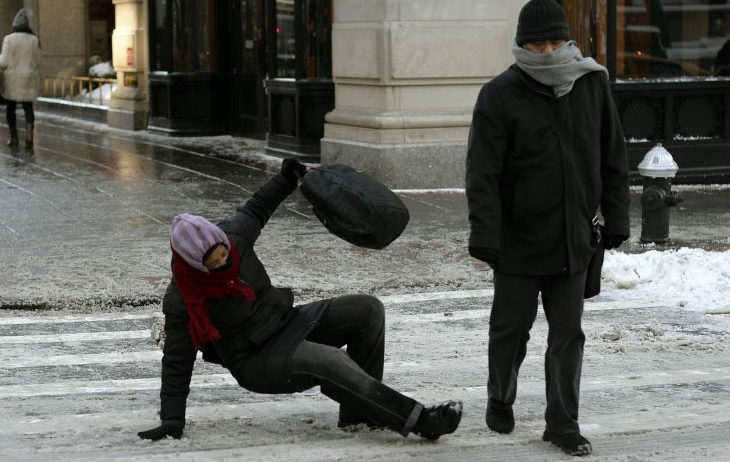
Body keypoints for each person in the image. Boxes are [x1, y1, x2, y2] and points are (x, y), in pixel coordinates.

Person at [138, 159, 463, 442]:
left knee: (367, 310)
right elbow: (177, 361)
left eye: (224, 252)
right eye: (214, 260)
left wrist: (286, 178)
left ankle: (360, 414)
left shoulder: (233, 239)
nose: (224, 261)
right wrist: (171, 421)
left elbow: (257, 207)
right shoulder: (183, 298)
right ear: (194, 263)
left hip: (286, 322)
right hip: (255, 359)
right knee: (330, 361)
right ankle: (420, 420)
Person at [465, 0, 630, 457]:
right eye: (538, 43)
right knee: (510, 330)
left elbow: (613, 158)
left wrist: (616, 220)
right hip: (518, 240)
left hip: (574, 237)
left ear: (569, 40)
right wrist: (485, 234)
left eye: (556, 41)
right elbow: (482, 173)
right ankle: (500, 396)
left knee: (568, 336)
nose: (548, 50)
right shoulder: (499, 94)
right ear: (522, 44)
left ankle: (563, 424)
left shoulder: (592, 83)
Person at [0, 9, 41, 148]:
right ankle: (29, 136)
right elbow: (38, 60)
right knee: (28, 107)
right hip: (29, 77)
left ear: (15, 25)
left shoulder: (9, 39)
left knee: (11, 108)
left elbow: (4, 61)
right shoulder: (34, 40)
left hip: (12, 79)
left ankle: (14, 138)